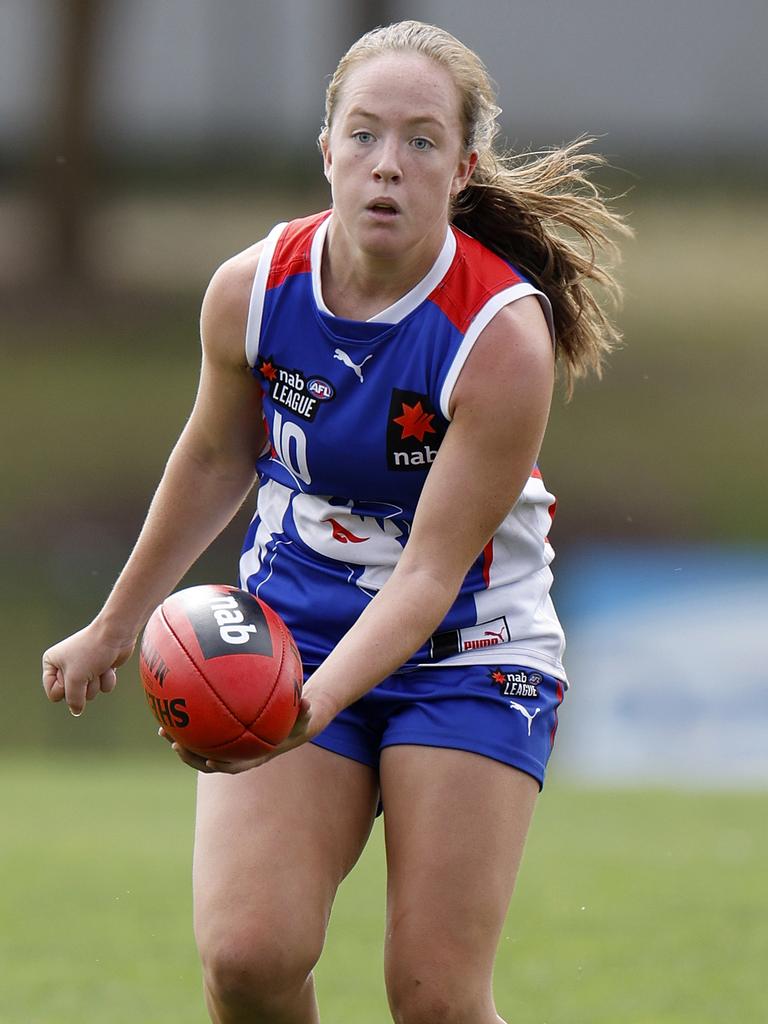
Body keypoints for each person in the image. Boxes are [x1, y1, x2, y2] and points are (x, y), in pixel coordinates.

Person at [42, 20, 628, 1024]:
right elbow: (216, 456)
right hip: (292, 623)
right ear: (326, 150)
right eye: (363, 135)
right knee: (248, 958)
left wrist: (300, 708)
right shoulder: (253, 290)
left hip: (469, 650)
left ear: (463, 167)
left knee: (436, 997)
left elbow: (428, 576)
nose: (386, 167)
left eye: (420, 141)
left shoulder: (499, 338)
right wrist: (116, 621)